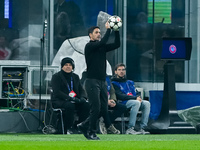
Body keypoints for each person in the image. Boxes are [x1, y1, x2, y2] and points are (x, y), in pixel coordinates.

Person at [77, 21, 121, 140]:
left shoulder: (101, 47)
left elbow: (117, 44)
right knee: (95, 108)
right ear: (90, 35)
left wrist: (116, 30)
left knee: (103, 109)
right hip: (92, 81)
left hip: (102, 81)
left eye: (99, 32)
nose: (99, 34)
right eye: (96, 32)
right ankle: (92, 131)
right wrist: (108, 30)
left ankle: (84, 125)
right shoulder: (90, 46)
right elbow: (103, 42)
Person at [51, 57, 90, 134]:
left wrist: (83, 98)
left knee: (86, 105)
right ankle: (68, 127)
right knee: (70, 106)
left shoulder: (75, 77)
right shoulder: (56, 76)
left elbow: (81, 89)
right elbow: (57, 91)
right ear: (62, 66)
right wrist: (69, 98)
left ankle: (79, 126)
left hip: (74, 99)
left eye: (70, 65)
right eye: (66, 65)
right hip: (61, 100)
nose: (68, 66)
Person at [112, 63, 151, 135]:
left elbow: (136, 92)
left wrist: (139, 97)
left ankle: (142, 127)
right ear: (115, 72)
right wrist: (135, 98)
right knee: (136, 103)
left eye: (123, 70)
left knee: (147, 103)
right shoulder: (114, 83)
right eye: (119, 70)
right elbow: (120, 96)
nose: (121, 71)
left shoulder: (130, 82)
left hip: (135, 100)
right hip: (123, 102)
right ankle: (130, 128)